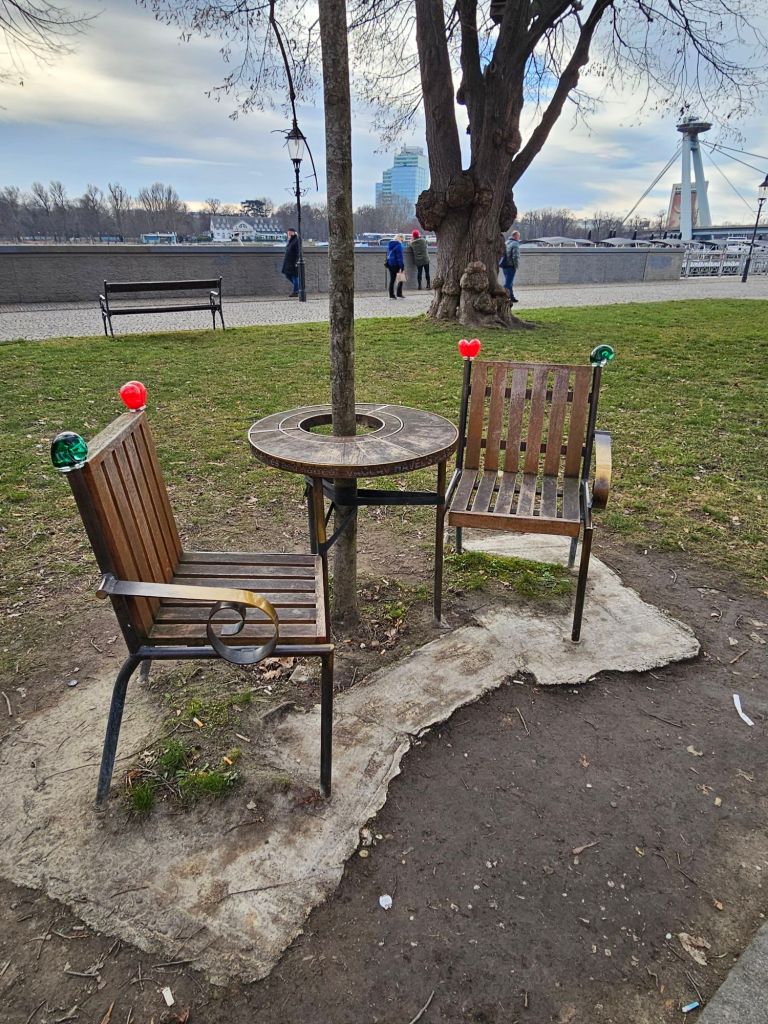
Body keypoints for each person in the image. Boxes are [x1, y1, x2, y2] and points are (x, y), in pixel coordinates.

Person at [500, 229, 521, 304]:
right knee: (508, 283)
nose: (519, 238)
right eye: (518, 236)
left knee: (509, 282)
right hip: (511, 266)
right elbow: (515, 256)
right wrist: (516, 266)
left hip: (504, 265)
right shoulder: (515, 244)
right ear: (515, 236)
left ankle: (511, 297)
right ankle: (502, 297)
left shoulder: (506, 242)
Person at [282, 228, 300, 297]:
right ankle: (299, 288)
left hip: (293, 262)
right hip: (288, 262)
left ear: (294, 233)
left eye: (290, 233)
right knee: (288, 275)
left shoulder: (296, 240)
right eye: (288, 233)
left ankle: (296, 291)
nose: (288, 234)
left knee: (294, 276)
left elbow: (298, 252)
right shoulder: (291, 240)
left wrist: (296, 262)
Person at [386, 233, 405, 299]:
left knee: (392, 280)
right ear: (401, 239)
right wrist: (402, 266)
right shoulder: (399, 246)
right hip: (396, 264)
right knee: (401, 279)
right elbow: (400, 258)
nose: (403, 241)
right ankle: (399, 293)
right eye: (403, 240)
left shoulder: (390, 245)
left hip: (390, 264)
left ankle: (391, 294)